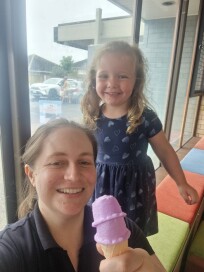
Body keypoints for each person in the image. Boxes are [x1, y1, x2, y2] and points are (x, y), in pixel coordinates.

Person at [0, 118, 166, 272]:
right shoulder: (11, 250)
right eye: (57, 163)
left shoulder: (123, 229)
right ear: (31, 175)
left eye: (84, 162)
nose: (73, 176)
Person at [81, 40, 199, 236]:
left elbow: (165, 151)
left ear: (137, 81)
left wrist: (181, 182)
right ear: (94, 79)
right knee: (102, 231)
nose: (112, 83)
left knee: (133, 233)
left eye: (122, 76)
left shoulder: (145, 117)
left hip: (134, 188)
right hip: (101, 185)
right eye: (104, 76)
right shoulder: (92, 115)